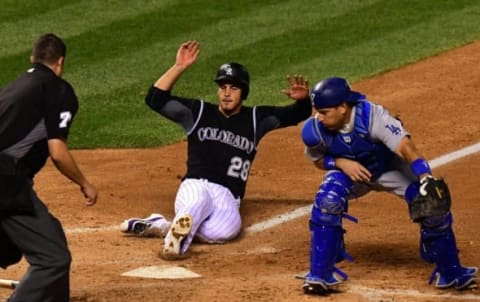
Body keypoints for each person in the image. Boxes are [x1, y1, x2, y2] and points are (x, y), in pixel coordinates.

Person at [120, 40, 312, 260]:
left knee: (225, 231)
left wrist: (304, 101)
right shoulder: (198, 112)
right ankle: (173, 245)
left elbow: (297, 114)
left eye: (234, 88)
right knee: (198, 201)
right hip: (195, 185)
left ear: (244, 92)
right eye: (222, 87)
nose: (227, 93)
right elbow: (155, 99)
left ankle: (161, 225)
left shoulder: (256, 119)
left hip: (228, 196)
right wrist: (179, 67)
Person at [299, 77, 478, 294]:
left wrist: (424, 176)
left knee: (431, 202)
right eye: (317, 111)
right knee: (328, 199)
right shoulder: (316, 130)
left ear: (342, 108)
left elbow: (405, 147)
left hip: (389, 168)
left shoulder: (372, 117)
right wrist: (339, 162)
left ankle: (451, 272)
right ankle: (320, 274)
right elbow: (317, 159)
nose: (318, 117)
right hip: (354, 174)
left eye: (324, 112)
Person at [0, 33, 98, 301]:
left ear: (32, 58)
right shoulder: (59, 90)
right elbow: (58, 152)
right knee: (53, 259)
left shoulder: (13, 87)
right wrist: (84, 183)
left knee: (27, 241)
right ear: (61, 62)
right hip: (6, 182)